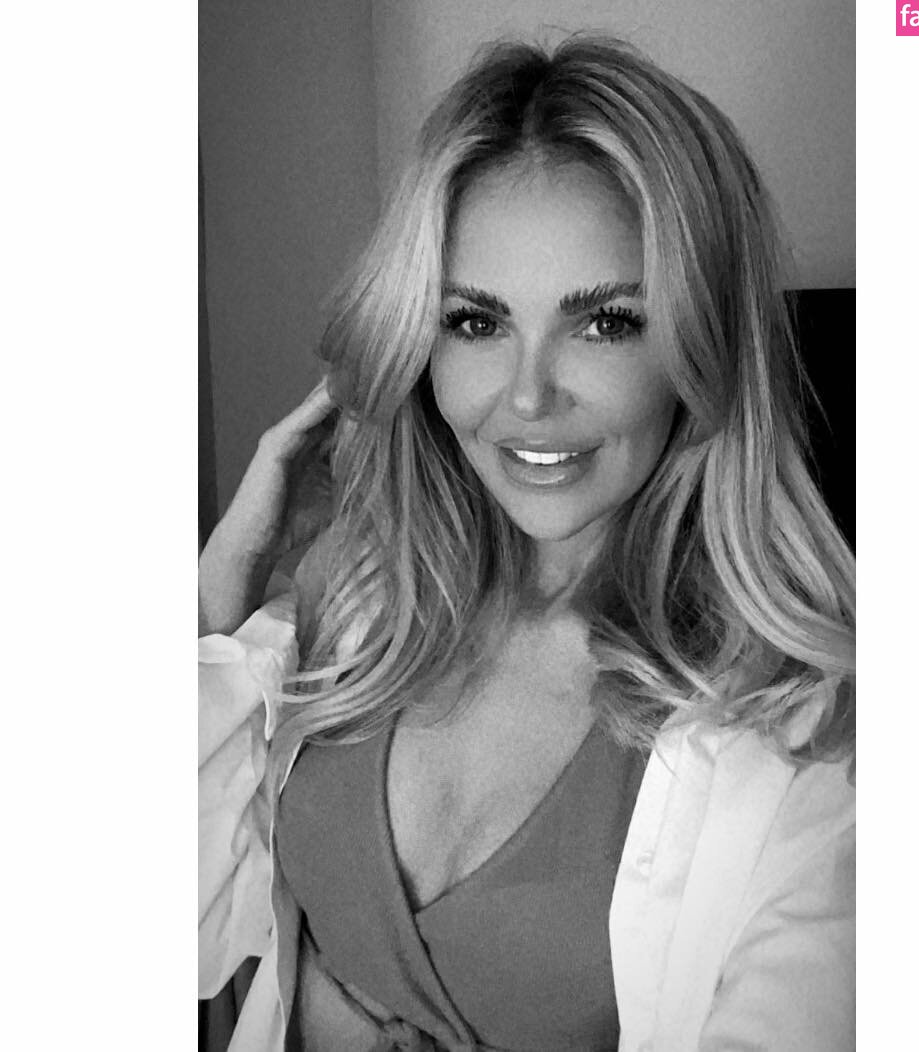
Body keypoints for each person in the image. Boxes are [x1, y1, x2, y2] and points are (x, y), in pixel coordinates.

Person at [199, 35, 855, 1052]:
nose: (528, 396)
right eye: (476, 322)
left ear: (704, 341)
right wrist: (221, 589)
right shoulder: (362, 600)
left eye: (606, 323)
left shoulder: (806, 732)